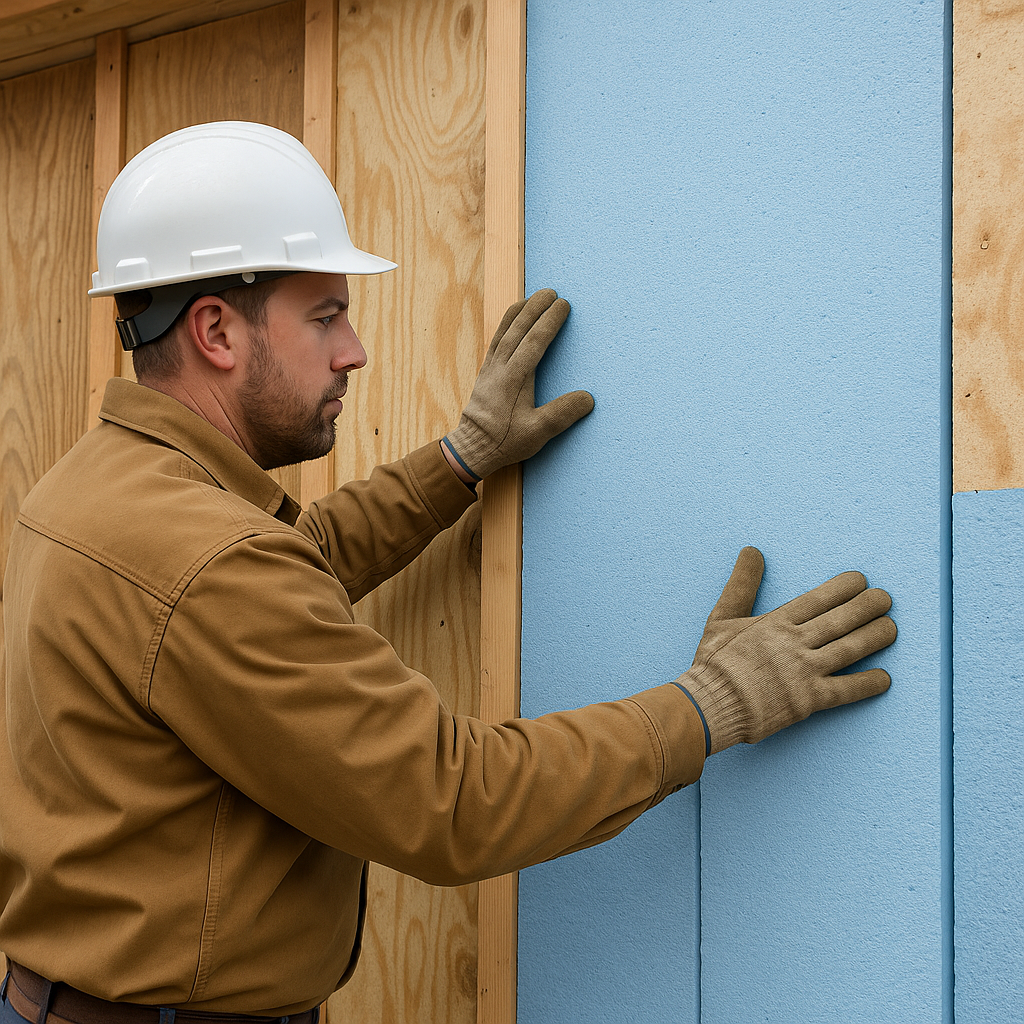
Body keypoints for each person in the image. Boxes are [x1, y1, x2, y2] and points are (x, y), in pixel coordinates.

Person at [0, 122, 896, 1023]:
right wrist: (711, 704)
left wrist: (460, 460)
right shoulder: (206, 562)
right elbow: (454, 801)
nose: (354, 350)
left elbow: (284, 573)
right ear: (215, 331)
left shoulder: (96, 490)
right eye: (324, 317)